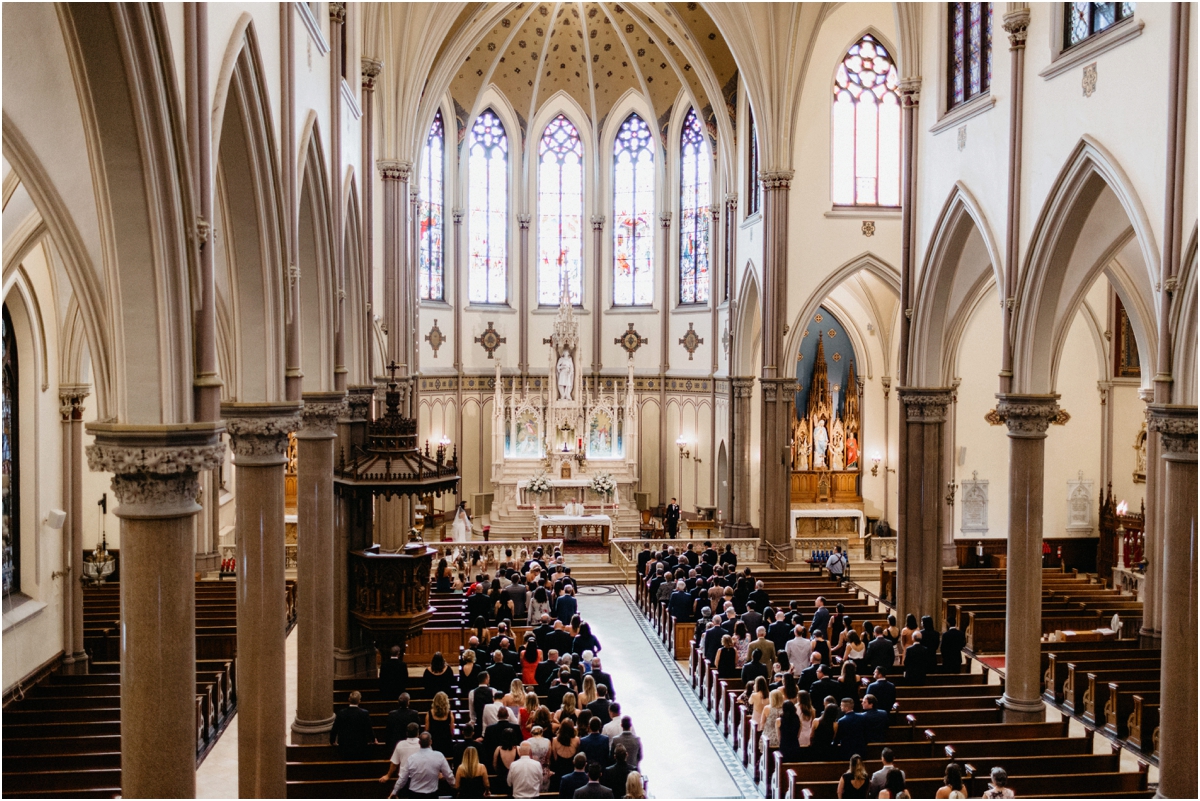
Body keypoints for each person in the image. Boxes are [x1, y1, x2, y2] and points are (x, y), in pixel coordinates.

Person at [385, 732, 455, 799]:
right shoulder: (439, 756)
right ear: (430, 742)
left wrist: (395, 791)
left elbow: (403, 778)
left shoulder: (411, 759)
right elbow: (448, 774)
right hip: (431, 795)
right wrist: (454, 785)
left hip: (415, 794)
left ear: (419, 743)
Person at [329, 690, 377, 759]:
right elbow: (368, 729)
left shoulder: (341, 713)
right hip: (361, 746)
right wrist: (373, 739)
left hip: (344, 746)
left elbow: (335, 728)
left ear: (349, 699)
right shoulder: (364, 713)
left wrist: (332, 741)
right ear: (359, 701)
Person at [429, 692, 454, 757]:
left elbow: (426, 730)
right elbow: (452, 731)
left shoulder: (429, 714)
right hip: (446, 743)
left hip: (434, 743)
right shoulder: (449, 714)